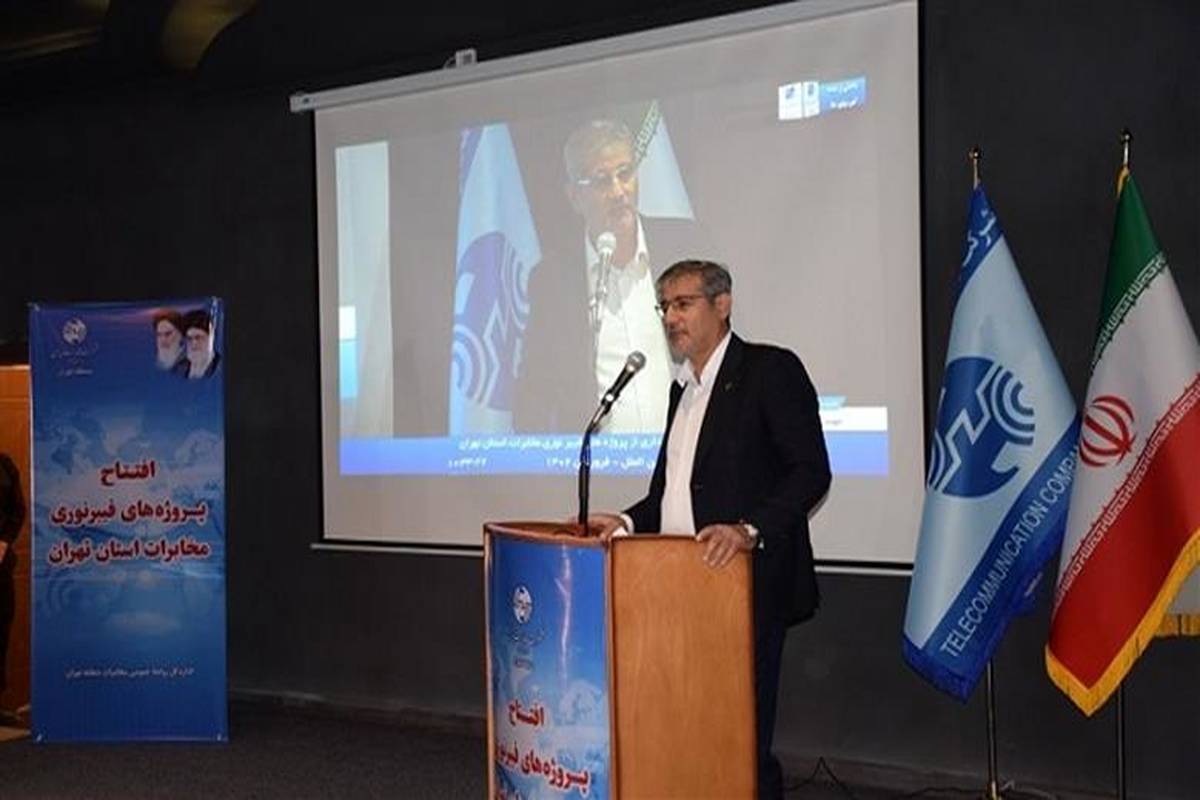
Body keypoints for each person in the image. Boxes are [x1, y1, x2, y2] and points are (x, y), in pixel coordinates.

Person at [590, 260, 831, 799]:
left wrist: (749, 529)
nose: (670, 318)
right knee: (690, 726)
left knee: (740, 739)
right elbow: (670, 494)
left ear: (722, 305)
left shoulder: (770, 370)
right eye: (664, 307)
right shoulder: (682, 391)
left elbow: (810, 471)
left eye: (683, 304)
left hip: (744, 582)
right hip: (681, 585)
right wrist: (625, 521)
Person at [517, 119, 709, 433]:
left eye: (625, 174)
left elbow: (726, 349)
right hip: (602, 461)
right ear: (574, 197)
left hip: (688, 455)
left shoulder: (685, 247)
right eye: (602, 181)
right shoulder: (553, 281)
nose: (619, 191)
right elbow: (533, 395)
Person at [0, 454, 24, 702]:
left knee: (1, 632)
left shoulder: (5, 465)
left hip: (1, 569)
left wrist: (4, 541)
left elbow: (18, 510)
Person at [182, 309, 220, 380]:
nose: (194, 343)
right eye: (189, 339)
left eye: (198, 338)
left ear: (210, 337)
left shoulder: (221, 367)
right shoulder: (180, 368)